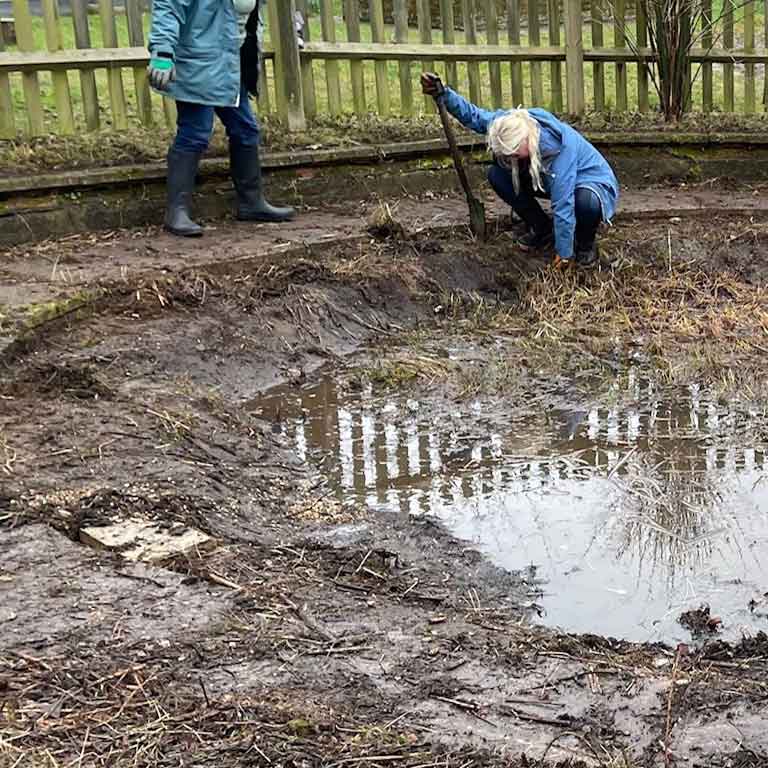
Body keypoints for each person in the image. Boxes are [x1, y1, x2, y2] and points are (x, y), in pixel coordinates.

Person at [421, 73, 619, 267]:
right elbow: (474, 116)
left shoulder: (559, 150)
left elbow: (563, 205)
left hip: (591, 183)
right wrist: (444, 95)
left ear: (526, 141)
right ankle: (542, 229)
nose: (509, 158)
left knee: (585, 203)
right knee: (498, 175)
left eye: (513, 154)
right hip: (546, 176)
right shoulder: (508, 124)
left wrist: (564, 254)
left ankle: (585, 246)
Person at [147, 0, 294, 237]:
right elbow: (169, 7)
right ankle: (177, 212)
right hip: (200, 61)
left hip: (231, 63)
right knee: (195, 133)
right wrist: (162, 50)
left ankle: (251, 203)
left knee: (246, 131)